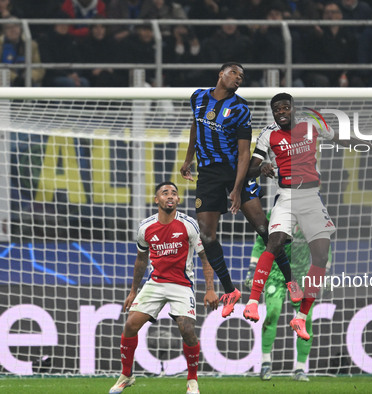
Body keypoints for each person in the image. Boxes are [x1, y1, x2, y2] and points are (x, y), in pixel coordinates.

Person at [242, 93, 372, 340]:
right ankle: (253, 302)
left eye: (285, 107)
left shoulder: (312, 125)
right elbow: (250, 168)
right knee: (274, 243)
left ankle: (300, 318)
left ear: (292, 108)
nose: (281, 112)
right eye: (276, 109)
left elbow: (342, 139)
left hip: (311, 197)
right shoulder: (268, 134)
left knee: (320, 255)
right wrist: (261, 167)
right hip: (286, 197)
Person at [180, 63, 299, 319]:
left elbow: (245, 152)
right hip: (208, 174)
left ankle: (290, 280)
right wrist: (188, 158)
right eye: (234, 73)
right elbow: (195, 126)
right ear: (221, 74)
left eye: (242, 76)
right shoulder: (198, 97)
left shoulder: (241, 108)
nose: (238, 78)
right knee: (207, 236)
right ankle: (230, 290)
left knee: (263, 228)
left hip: (236, 172)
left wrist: (236, 188)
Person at [109, 181, 219, 394]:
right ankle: (126, 375)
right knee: (130, 325)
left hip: (182, 284)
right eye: (165, 193)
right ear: (156, 199)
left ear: (178, 200)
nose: (170, 196)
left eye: (174, 193)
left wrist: (210, 289)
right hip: (155, 283)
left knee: (187, 330)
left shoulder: (189, 225)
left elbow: (205, 258)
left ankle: (192, 381)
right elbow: (141, 260)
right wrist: (133, 291)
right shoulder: (146, 227)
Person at [244, 211, 332, 381]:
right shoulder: (276, 212)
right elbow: (261, 244)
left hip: (302, 275)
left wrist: (325, 275)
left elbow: (325, 247)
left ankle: (300, 369)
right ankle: (266, 363)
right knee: (273, 312)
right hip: (276, 273)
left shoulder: (314, 215)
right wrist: (251, 270)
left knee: (305, 320)